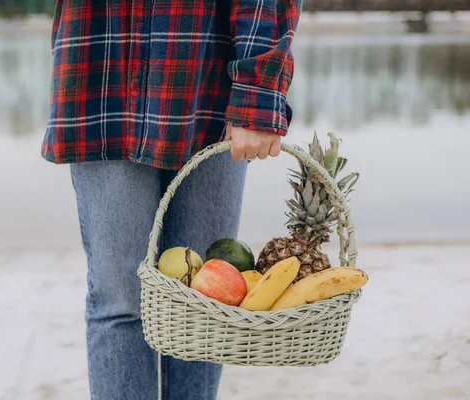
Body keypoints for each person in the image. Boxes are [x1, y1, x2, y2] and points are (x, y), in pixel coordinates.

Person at [42, 0, 301, 398]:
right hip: (101, 68)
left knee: (205, 303)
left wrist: (258, 92)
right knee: (120, 302)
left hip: (207, 75)